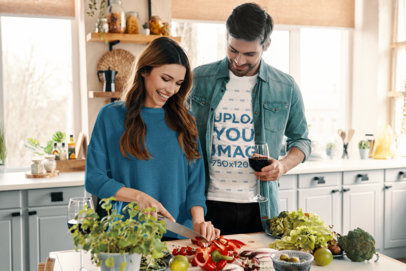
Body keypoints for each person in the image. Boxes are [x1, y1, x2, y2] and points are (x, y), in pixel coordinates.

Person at [189, 3, 311, 235]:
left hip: (261, 206)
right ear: (226, 38)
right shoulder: (199, 79)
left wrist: (282, 166)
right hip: (208, 205)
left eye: (250, 54)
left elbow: (302, 140)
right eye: (233, 50)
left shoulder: (285, 86)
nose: (239, 61)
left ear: (266, 45)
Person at [85, 37, 219, 241]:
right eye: (166, 79)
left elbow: (195, 183)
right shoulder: (110, 117)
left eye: (178, 83)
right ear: (144, 71)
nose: (172, 90)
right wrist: (138, 197)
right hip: (127, 237)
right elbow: (94, 179)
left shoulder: (186, 120)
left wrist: (199, 221)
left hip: (179, 235)